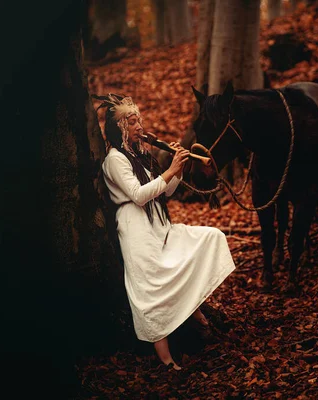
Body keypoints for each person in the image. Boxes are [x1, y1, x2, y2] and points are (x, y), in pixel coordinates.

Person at [97, 94, 236, 370]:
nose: (139, 127)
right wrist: (169, 171)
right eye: (132, 122)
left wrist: (178, 168)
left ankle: (198, 318)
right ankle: (167, 360)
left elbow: (165, 191)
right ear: (120, 128)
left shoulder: (140, 155)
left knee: (208, 238)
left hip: (159, 224)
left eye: (139, 121)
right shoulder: (114, 159)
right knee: (152, 290)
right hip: (136, 229)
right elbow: (138, 195)